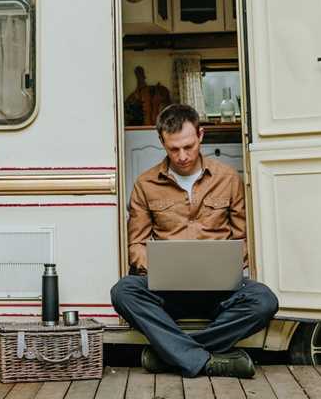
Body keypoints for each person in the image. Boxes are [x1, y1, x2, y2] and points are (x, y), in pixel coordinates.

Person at [110, 103, 279, 378]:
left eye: (188, 146)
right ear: (162, 142)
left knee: (264, 300)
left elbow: (243, 238)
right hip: (168, 291)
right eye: (173, 149)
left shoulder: (228, 179)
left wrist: (229, 265)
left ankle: (171, 355)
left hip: (219, 290)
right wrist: (159, 270)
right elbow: (136, 245)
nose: (182, 156)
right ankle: (201, 358)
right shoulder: (145, 184)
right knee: (123, 291)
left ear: (201, 135)